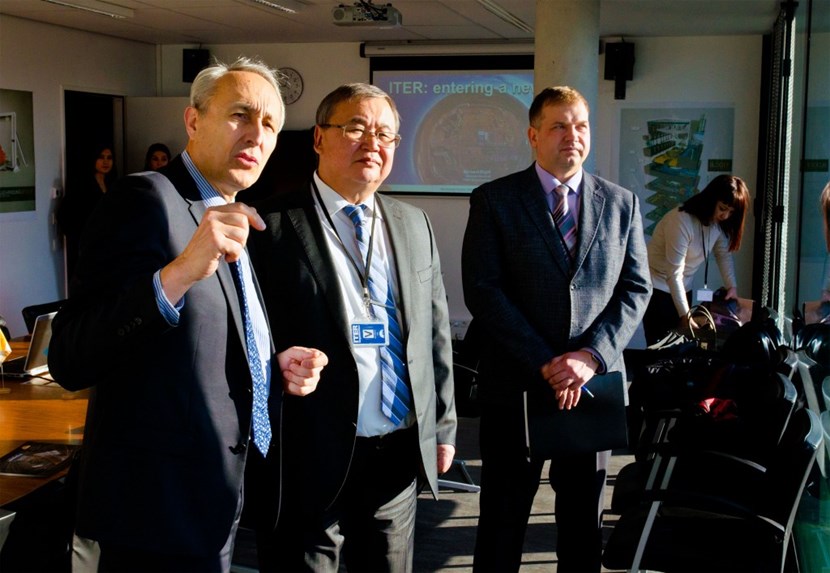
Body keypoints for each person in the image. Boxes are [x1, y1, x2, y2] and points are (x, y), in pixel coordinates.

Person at [47, 56, 328, 572]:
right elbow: (70, 356)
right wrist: (176, 274)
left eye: (269, 124)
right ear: (193, 120)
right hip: (156, 512)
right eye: (240, 114)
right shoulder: (145, 199)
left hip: (217, 499)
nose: (256, 135)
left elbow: (200, 340)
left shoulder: (234, 211)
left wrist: (271, 362)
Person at [246, 83, 457, 573]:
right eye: (356, 128)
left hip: (395, 456)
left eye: (385, 134)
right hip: (307, 455)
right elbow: (242, 336)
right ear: (319, 138)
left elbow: (434, 333)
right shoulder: (269, 226)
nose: (372, 143)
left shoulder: (413, 223)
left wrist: (443, 425)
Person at [461, 85, 652, 573]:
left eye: (581, 125)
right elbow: (483, 290)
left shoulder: (621, 203)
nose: (573, 136)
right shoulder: (493, 200)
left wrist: (589, 358)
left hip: (591, 390)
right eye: (559, 126)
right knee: (502, 526)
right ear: (533, 135)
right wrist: (546, 362)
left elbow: (636, 289)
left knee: (581, 530)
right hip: (516, 389)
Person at [643, 174, 750, 345]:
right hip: (658, 288)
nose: (725, 216)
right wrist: (685, 315)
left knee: (682, 348)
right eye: (723, 208)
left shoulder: (716, 223)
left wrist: (732, 286)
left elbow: (723, 254)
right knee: (660, 348)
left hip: (683, 287)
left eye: (731, 212)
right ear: (711, 199)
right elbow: (673, 273)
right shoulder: (680, 220)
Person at [57, 144, 116, 279]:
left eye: (109, 158)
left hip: (107, 244)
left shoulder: (113, 183)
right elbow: (64, 214)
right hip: (86, 245)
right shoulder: (82, 184)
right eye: (101, 157)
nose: (106, 162)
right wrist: (80, 237)